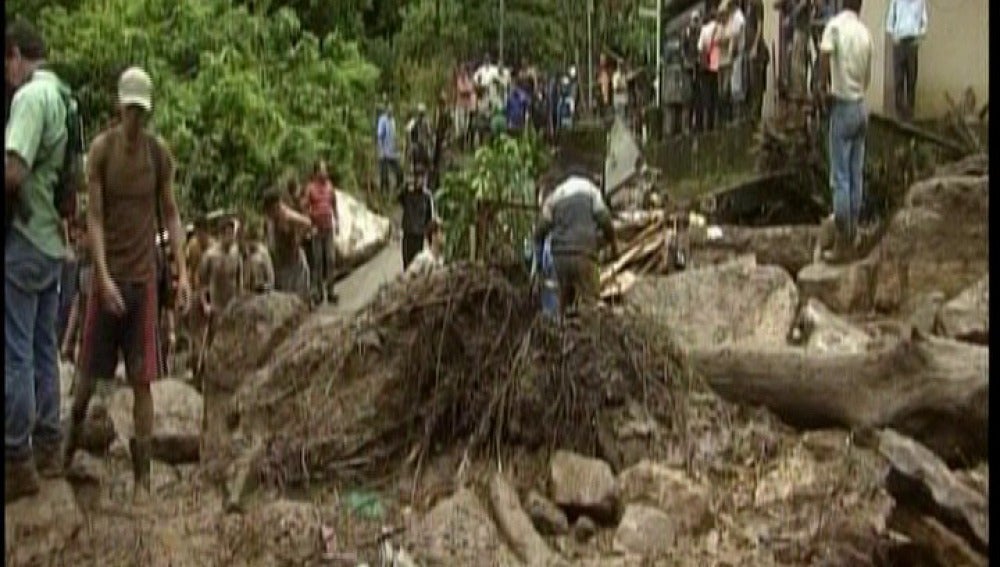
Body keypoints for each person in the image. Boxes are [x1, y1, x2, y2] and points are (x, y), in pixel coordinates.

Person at [65, 67, 192, 505]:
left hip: (143, 280)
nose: (136, 121)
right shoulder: (101, 152)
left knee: (143, 382)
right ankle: (66, 450)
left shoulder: (158, 156)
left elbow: (171, 214)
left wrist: (183, 270)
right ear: (120, 108)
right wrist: (100, 275)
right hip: (109, 277)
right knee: (86, 379)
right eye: (131, 111)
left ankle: (143, 481)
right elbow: (95, 218)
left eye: (143, 112)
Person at [5, 19, 72, 502]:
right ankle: (50, 444)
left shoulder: (30, 99)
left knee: (17, 350)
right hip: (53, 241)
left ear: (14, 54)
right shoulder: (67, 98)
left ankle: (16, 459)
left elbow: (14, 171)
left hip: (26, 237)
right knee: (45, 346)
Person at [818, 0, 872, 262]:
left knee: (840, 177)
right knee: (855, 174)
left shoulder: (835, 27)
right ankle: (853, 234)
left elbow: (825, 56)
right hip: (862, 106)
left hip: (843, 106)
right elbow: (868, 78)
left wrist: (822, 87)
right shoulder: (865, 33)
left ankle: (842, 244)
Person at [534, 168, 618, 315]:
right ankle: (590, 333)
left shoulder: (556, 195)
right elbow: (605, 220)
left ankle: (559, 332)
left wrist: (539, 264)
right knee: (590, 303)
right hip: (585, 255)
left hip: (560, 257)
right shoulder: (592, 191)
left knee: (559, 303)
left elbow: (540, 230)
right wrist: (613, 245)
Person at [263, 186, 312, 303]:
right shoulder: (270, 219)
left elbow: (307, 223)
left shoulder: (286, 215)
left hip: (294, 262)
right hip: (281, 262)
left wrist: (298, 240)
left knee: (298, 296)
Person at [885, 0, 927, 121]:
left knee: (912, 78)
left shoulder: (920, 2)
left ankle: (909, 112)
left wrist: (919, 34)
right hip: (899, 43)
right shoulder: (896, 2)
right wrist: (894, 37)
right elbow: (889, 23)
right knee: (898, 78)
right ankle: (899, 112)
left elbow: (924, 22)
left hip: (912, 43)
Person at [304, 161, 339, 304]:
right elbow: (305, 207)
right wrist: (309, 226)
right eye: (322, 170)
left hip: (328, 227)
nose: (325, 173)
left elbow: (334, 204)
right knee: (318, 261)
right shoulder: (310, 188)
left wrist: (337, 221)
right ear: (317, 172)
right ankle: (318, 293)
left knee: (330, 259)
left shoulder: (330, 186)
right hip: (317, 229)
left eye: (326, 170)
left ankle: (331, 291)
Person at [399, 168, 435, 270]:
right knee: (406, 263)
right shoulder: (408, 194)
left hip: (419, 235)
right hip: (408, 232)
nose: (421, 181)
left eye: (423, 178)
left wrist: (430, 238)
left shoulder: (427, 196)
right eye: (418, 178)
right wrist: (406, 186)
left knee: (417, 264)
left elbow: (429, 217)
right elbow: (399, 197)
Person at [697, 10, 723, 132]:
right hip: (717, 64)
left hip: (706, 66)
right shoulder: (720, 27)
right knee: (716, 95)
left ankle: (707, 127)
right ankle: (716, 124)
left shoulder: (704, 30)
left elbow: (700, 47)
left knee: (706, 96)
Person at [681, 11, 704, 132]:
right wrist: (688, 61)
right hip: (689, 68)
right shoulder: (687, 32)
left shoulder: (701, 32)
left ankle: (698, 124)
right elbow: (683, 50)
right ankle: (687, 126)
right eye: (694, 20)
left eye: (697, 20)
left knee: (698, 97)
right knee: (688, 97)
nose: (696, 23)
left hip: (699, 67)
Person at [377, 104, 403, 195]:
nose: (391, 112)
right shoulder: (382, 120)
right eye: (389, 110)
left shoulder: (393, 121)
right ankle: (383, 194)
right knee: (384, 176)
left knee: (399, 172)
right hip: (384, 152)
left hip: (392, 152)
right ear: (387, 110)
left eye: (392, 110)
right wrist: (381, 151)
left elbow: (394, 136)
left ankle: (397, 190)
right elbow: (380, 136)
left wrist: (397, 149)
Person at [242, 223, 274, 294]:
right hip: (247, 293)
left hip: (261, 292)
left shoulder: (263, 253)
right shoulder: (245, 253)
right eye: (247, 239)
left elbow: (270, 278)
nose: (249, 243)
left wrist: (264, 287)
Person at [408, 103, 433, 176]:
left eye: (422, 114)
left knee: (429, 155)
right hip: (416, 143)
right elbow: (408, 130)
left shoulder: (426, 122)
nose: (421, 116)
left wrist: (430, 140)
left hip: (424, 144)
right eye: (420, 113)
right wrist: (411, 141)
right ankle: (412, 167)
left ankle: (429, 169)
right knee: (412, 152)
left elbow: (429, 133)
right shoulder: (414, 121)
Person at [454, 64, 475, 150]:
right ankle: (460, 146)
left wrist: (467, 90)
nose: (463, 72)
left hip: (468, 106)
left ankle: (464, 145)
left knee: (466, 126)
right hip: (460, 106)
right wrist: (467, 90)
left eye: (464, 71)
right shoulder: (459, 80)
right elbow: (462, 90)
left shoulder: (468, 80)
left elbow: (471, 89)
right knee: (460, 126)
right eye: (461, 71)